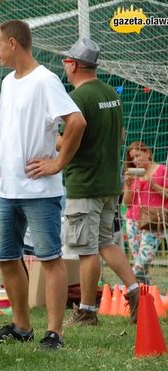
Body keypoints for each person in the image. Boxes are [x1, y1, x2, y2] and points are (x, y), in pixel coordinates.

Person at [0, 20, 86, 350]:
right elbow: (12, 131)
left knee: (50, 259)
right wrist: (3, 164)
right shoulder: (8, 82)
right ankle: (21, 326)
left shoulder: (46, 80)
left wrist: (58, 163)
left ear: (13, 43)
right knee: (6, 259)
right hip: (6, 191)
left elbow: (77, 121)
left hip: (40, 191)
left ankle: (54, 333)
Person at [59, 38, 140, 326]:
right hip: (109, 183)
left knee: (86, 249)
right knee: (106, 241)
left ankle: (86, 311)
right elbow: (119, 137)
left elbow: (65, 140)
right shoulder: (111, 94)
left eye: (66, 60)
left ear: (76, 65)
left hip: (85, 183)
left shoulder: (77, 98)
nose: (64, 64)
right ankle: (134, 290)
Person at [123, 141, 168, 285]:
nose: (135, 160)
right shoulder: (133, 174)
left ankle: (127, 284)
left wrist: (153, 185)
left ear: (147, 153)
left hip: (154, 220)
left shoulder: (162, 170)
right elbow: (127, 203)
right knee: (140, 262)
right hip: (133, 220)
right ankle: (144, 295)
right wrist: (128, 186)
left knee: (143, 259)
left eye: (138, 155)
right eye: (132, 158)